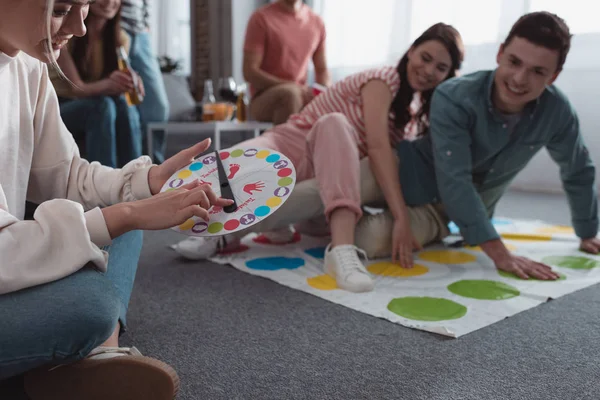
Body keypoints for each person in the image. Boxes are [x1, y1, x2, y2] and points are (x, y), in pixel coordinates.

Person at [180, 11, 600, 282]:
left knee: (370, 237)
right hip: (397, 170)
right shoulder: (450, 94)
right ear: (501, 54)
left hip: (439, 210)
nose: (520, 79)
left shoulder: (553, 113)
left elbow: (578, 169)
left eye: (538, 71)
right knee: (314, 190)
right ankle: (221, 228)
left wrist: (586, 231)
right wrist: (498, 252)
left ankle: (323, 237)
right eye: (514, 62)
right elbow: (436, 171)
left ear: (556, 74)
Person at [0, 1, 232, 399]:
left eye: (84, 8)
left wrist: (146, 182)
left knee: (128, 227)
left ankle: (94, 360)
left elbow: (66, 174)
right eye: (61, 9)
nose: (80, 27)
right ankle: (95, 347)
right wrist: (123, 213)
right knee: (91, 306)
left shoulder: (30, 64)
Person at [176, 23, 464, 293]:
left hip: (330, 168)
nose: (428, 70)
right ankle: (222, 231)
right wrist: (401, 217)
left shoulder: (413, 114)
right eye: (425, 57)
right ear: (411, 50)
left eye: (440, 68)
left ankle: (340, 250)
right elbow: (377, 147)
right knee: (238, 165)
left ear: (448, 76)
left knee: (337, 132)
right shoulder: (384, 79)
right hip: (295, 141)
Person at [51, 0, 144, 168]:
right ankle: (105, 186)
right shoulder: (67, 32)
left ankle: (137, 178)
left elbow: (114, 87)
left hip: (95, 102)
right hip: (59, 106)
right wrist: (109, 84)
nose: (109, 2)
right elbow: (76, 87)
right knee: (102, 106)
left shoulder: (120, 39)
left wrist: (130, 83)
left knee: (125, 105)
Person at [243, 0, 331, 125]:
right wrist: (292, 85)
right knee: (290, 94)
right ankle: (284, 144)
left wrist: (325, 94)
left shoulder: (316, 22)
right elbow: (250, 72)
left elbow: (322, 70)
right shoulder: (261, 18)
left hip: (300, 94)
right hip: (263, 98)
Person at [121, 0, 169, 163]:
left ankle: (156, 166)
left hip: (141, 34)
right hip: (114, 27)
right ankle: (132, 172)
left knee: (158, 108)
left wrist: (146, 24)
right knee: (127, 107)